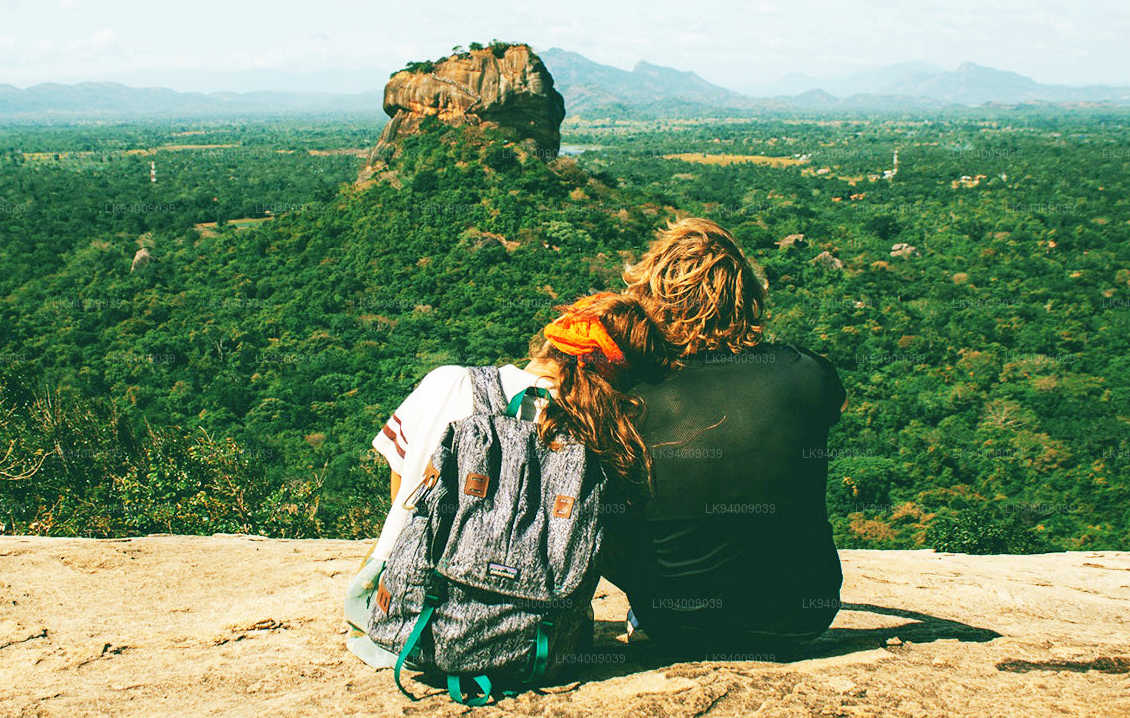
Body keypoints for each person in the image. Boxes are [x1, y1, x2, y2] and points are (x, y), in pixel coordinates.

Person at [344, 292, 674, 667]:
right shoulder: (601, 434)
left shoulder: (447, 382)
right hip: (534, 638)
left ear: (550, 340)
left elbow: (401, 487)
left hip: (400, 622)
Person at [600, 217, 848, 658]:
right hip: (801, 616)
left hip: (674, 621)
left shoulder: (629, 397)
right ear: (748, 296)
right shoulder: (808, 372)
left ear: (650, 300)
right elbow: (828, 413)